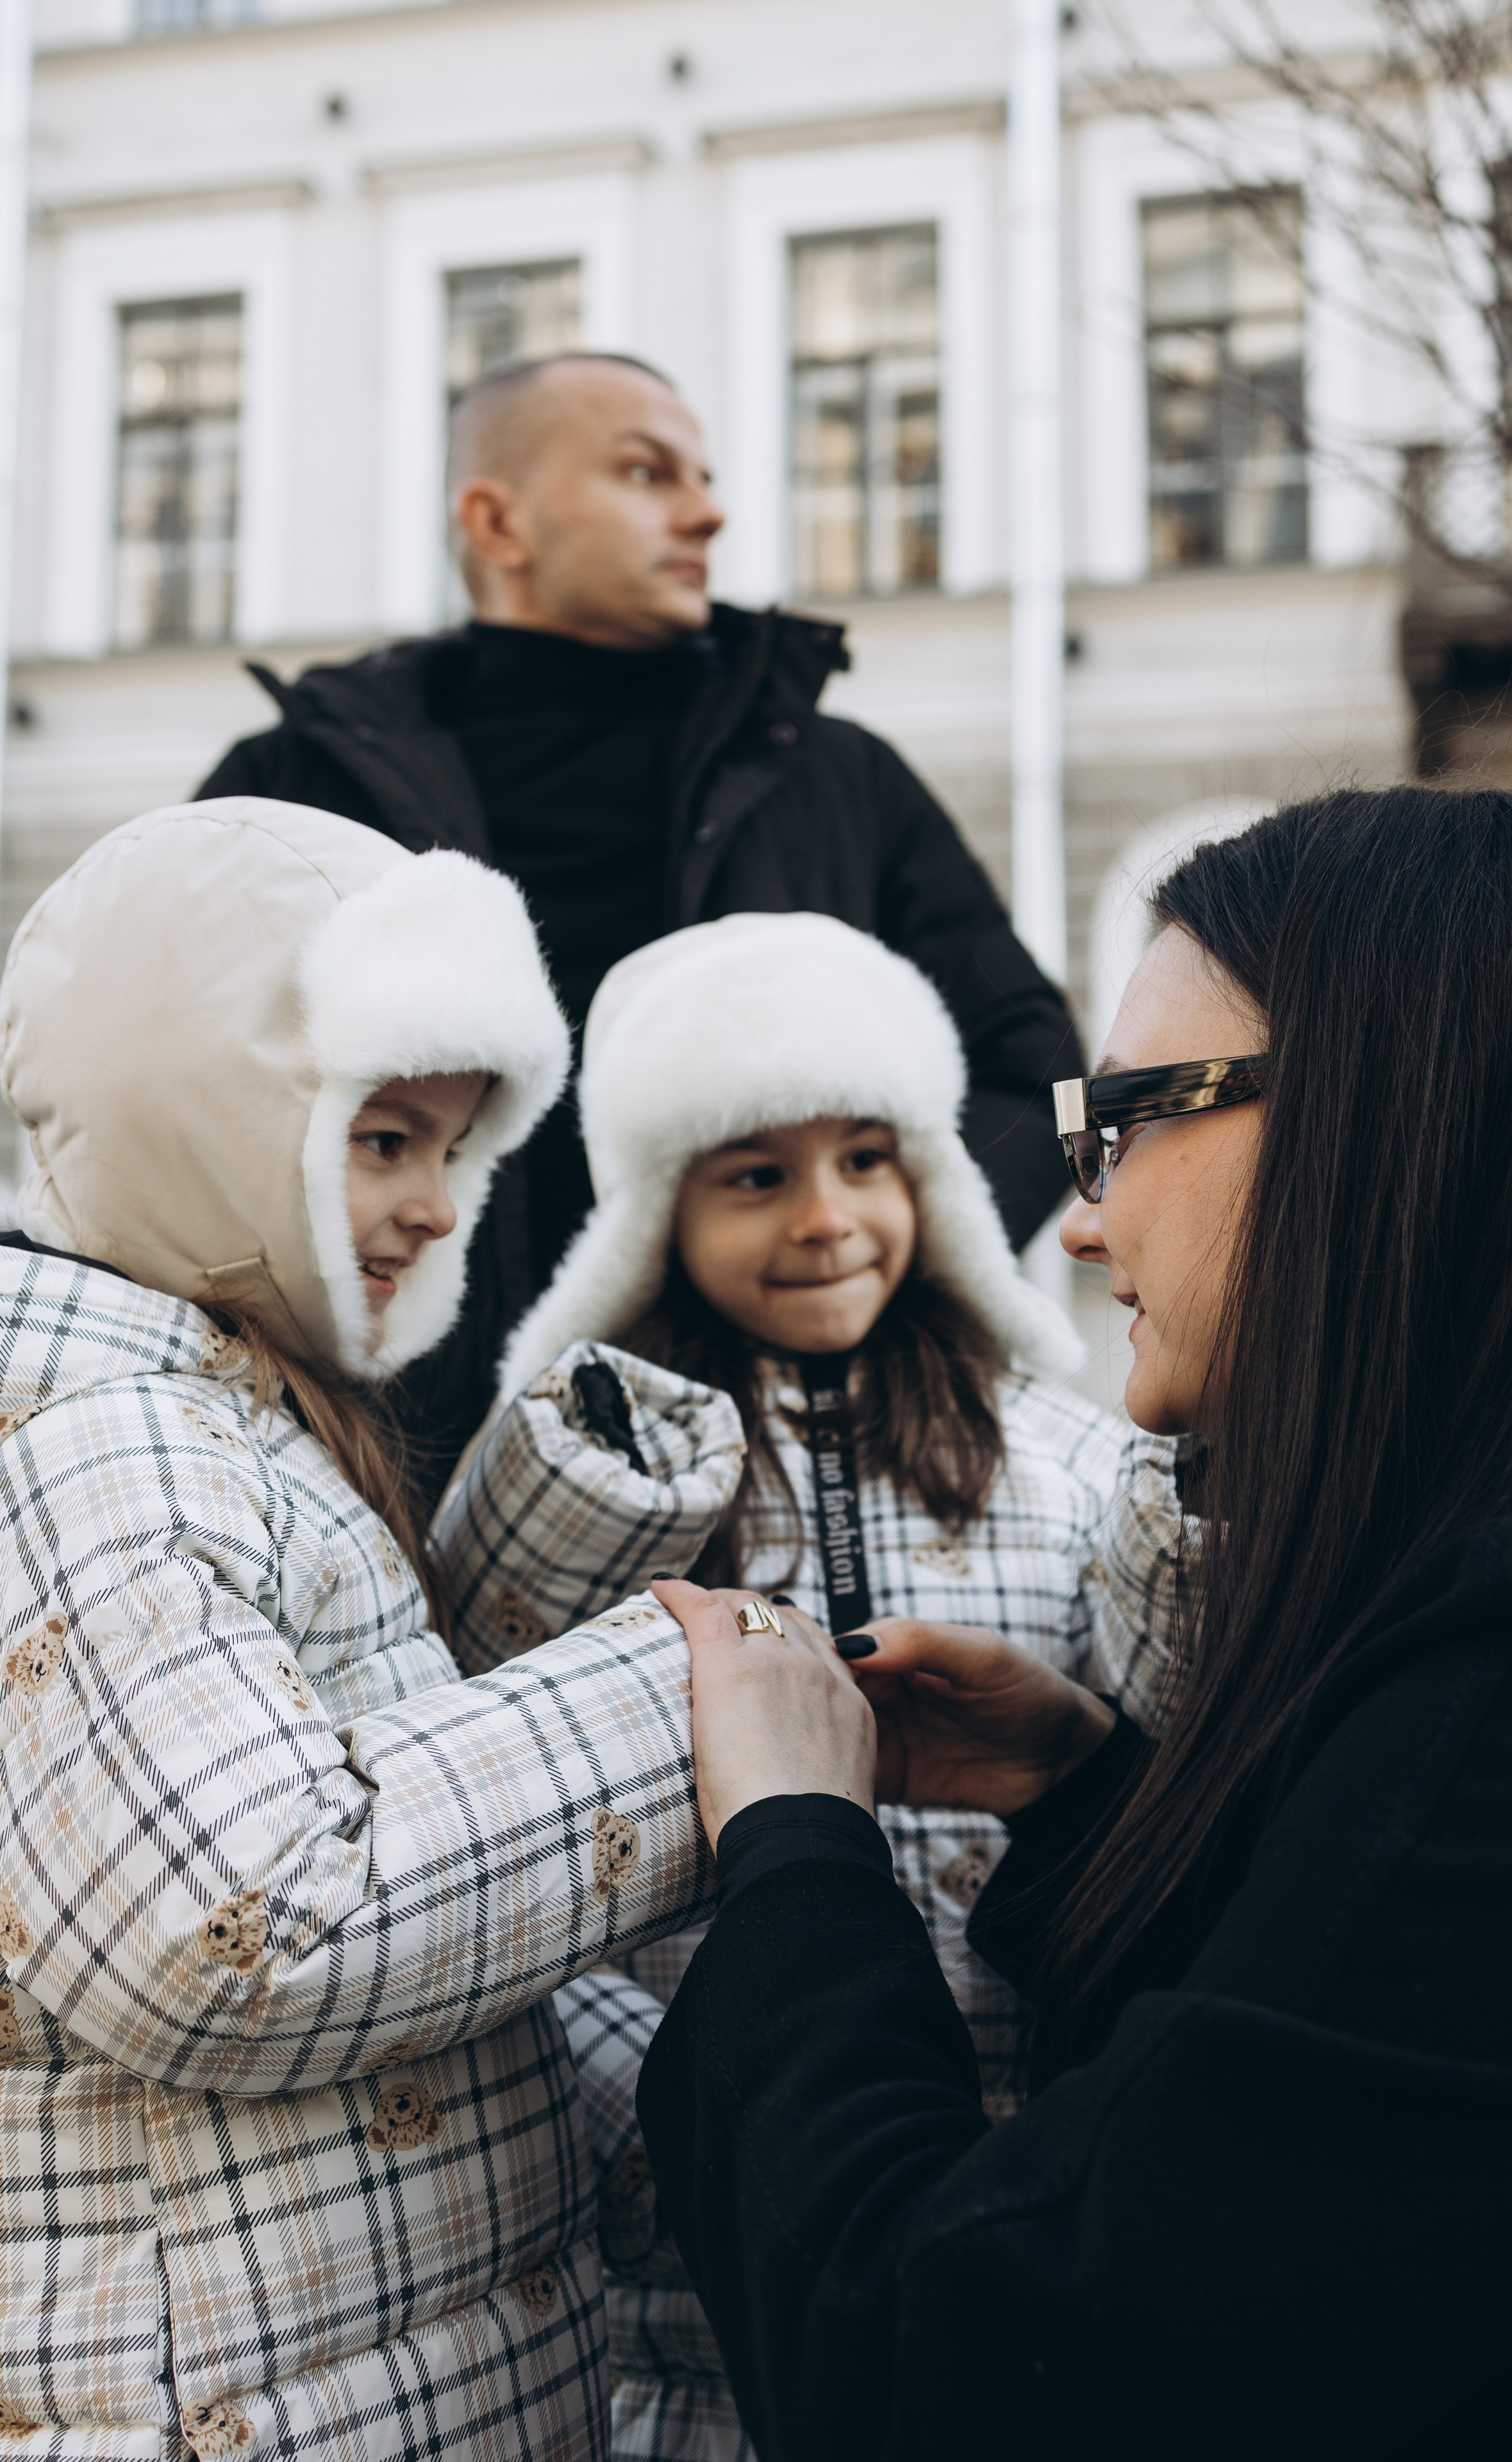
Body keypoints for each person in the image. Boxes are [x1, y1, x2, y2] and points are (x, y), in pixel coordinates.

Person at [633, 785, 1512, 2461]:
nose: (1082, 1217)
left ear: (1370, 1111)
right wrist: (1090, 1796)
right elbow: (1314, 2175)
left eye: (1124, 1121)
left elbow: (959, 2381)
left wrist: (797, 1849)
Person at [0, 795, 750, 2461]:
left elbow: (366, 1748)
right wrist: (692, 1694)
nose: (436, 1206)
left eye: (456, 1151)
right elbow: (248, 1922)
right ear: (204, 1111)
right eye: (382, 1138)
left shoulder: (240, 1416)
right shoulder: (109, 1442)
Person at [448, 910, 1184, 2462]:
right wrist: (654, 2132)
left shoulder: (1064, 1454)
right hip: (685, 2274)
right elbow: (493, 1813)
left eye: (865, 1158)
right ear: (654, 1207)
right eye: (754, 1175)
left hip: (1015, 2200)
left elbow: (1173, 1750)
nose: (827, 1217)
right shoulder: (590, 1481)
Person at [195, 352, 1083, 1491]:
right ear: (498, 522)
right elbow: (179, 1097)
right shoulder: (296, 783)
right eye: (648, 473)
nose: (708, 512)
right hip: (377, 1468)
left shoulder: (834, 779)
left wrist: (872, 1255)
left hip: (767, 1472)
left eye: (704, 478)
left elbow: (1040, 1065)